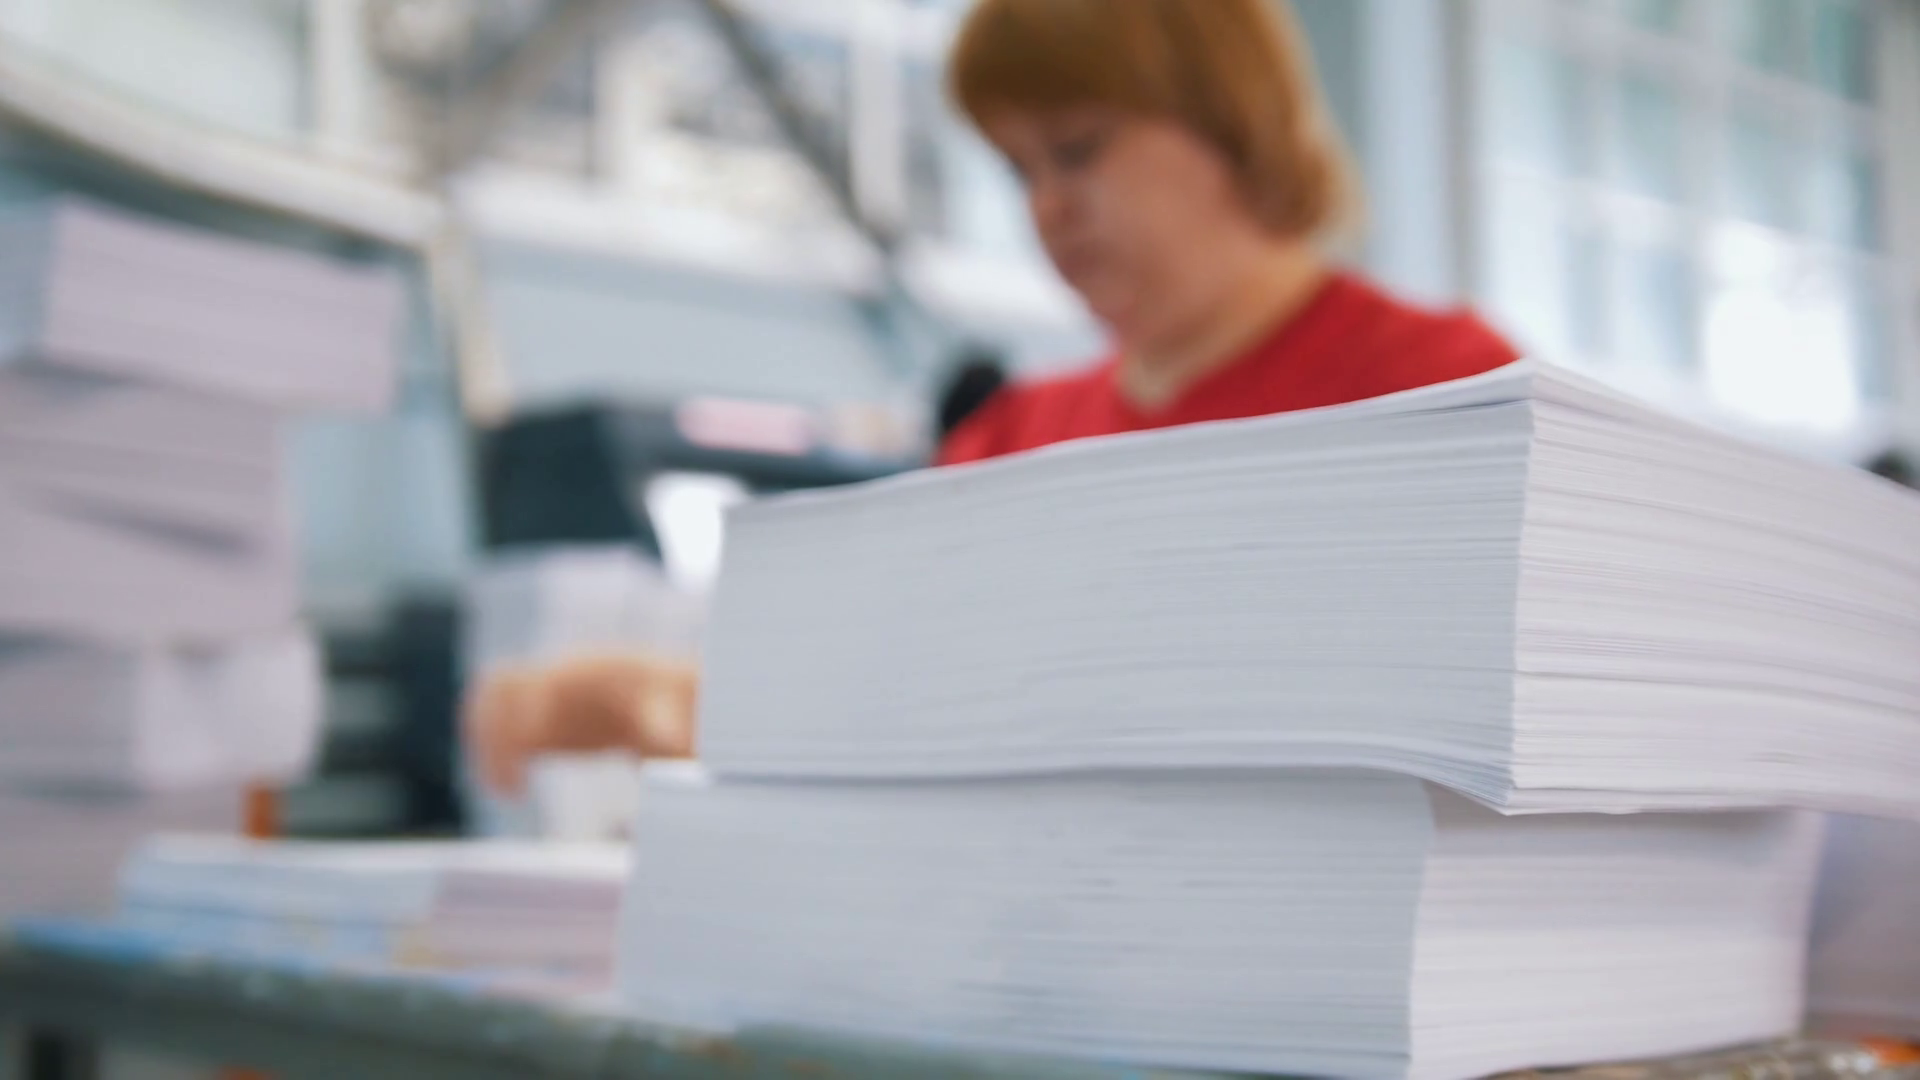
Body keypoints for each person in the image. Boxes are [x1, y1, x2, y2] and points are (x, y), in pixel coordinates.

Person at [466, 0, 1520, 795]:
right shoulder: (1011, 438)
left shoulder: (1446, 392)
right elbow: (871, 702)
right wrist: (634, 696)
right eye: (1017, 171)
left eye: (1077, 149)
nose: (1049, 208)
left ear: (1228, 121)